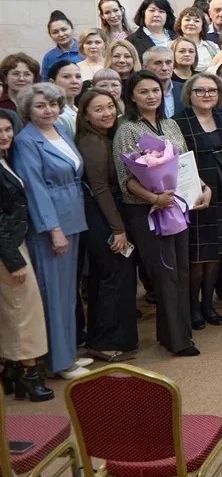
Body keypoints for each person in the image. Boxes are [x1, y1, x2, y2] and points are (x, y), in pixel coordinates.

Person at [112, 72, 208, 356]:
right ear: (132, 97)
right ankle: (178, 341)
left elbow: (185, 163)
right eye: (143, 91)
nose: (151, 96)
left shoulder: (170, 124)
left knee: (181, 269)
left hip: (176, 205)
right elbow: (126, 178)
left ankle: (175, 333)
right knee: (165, 274)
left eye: (155, 90)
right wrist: (155, 198)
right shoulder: (126, 130)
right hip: (147, 210)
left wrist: (203, 187)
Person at [12, 84, 90, 377]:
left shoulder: (60, 131)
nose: (49, 110)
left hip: (73, 217)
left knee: (68, 293)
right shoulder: (26, 141)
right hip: (51, 224)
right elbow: (35, 189)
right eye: (40, 106)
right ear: (28, 110)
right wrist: (54, 229)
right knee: (54, 294)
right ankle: (59, 362)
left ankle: (67, 352)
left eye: (53, 104)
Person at [74, 89, 137, 362]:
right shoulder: (92, 142)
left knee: (114, 277)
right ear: (86, 115)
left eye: (110, 106)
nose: (107, 113)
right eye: (98, 109)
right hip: (101, 215)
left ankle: (109, 339)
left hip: (109, 212)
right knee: (112, 277)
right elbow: (99, 188)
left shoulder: (107, 136)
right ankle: (104, 342)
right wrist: (118, 229)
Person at [173, 73, 222, 330]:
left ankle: (208, 305)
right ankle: (192, 306)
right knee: (197, 256)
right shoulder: (178, 122)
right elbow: (177, 162)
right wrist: (199, 187)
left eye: (212, 90)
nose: (206, 95)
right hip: (196, 195)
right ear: (189, 94)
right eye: (199, 90)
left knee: (216, 255)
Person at [0, 108, 55, 400]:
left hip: (14, 242)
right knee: (24, 310)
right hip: (8, 250)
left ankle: (13, 371)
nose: (4, 136)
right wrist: (14, 261)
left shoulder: (5, 159)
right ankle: (29, 374)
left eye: (7, 129)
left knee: (15, 310)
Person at [41, 11, 82, 79]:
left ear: (72, 29)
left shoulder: (85, 50)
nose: (61, 34)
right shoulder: (49, 57)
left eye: (64, 29)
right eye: (55, 32)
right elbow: (45, 82)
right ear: (50, 35)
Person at [48, 60, 83, 131]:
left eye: (78, 76)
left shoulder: (77, 109)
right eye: (66, 76)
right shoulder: (54, 114)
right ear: (52, 82)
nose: (74, 81)